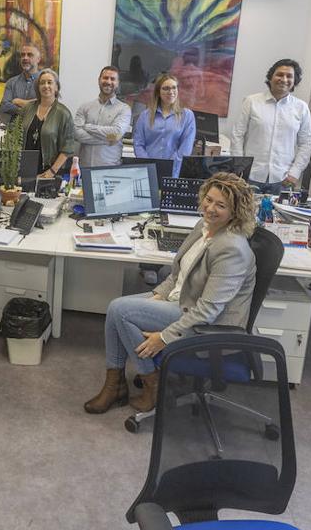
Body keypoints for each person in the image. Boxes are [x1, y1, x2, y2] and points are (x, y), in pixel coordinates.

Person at [84, 172, 258, 414]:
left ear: (236, 211)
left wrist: (163, 337)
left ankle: (151, 384)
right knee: (117, 311)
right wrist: (158, 295)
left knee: (120, 311)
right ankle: (116, 385)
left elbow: (209, 310)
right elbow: (178, 275)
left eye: (221, 205)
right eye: (208, 200)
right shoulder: (204, 227)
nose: (210, 208)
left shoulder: (232, 248)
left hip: (209, 324)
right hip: (183, 298)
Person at [230, 58, 311, 192]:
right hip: (251, 175)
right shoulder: (251, 102)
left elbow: (306, 144)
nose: (284, 79)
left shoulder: (301, 108)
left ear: (294, 81)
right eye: (279, 74)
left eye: (289, 76)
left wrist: (295, 172)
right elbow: (237, 135)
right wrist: (239, 168)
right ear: (270, 77)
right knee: (245, 212)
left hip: (283, 179)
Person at [133, 73, 197, 177]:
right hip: (147, 171)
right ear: (158, 92)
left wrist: (169, 165)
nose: (171, 92)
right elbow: (138, 143)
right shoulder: (145, 116)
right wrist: (148, 165)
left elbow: (186, 147)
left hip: (174, 171)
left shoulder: (187, 115)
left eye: (174, 88)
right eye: (166, 88)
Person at [18, 68, 77, 178]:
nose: (46, 86)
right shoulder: (27, 109)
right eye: (42, 83)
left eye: (50, 82)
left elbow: (67, 148)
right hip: (24, 170)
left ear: (56, 87)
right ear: (38, 87)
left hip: (49, 171)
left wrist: (52, 171)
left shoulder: (63, 113)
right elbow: (17, 136)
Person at [74, 66, 132, 168]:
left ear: (117, 83)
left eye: (113, 79)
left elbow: (116, 134)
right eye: (105, 78)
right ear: (99, 80)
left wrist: (88, 127)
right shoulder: (85, 107)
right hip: (84, 168)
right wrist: (108, 140)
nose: (108, 82)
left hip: (109, 169)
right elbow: (77, 134)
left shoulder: (124, 109)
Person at [0, 42, 41, 124]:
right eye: (23, 55)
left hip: (38, 132)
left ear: (38, 59)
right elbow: (5, 107)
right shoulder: (11, 82)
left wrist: (18, 101)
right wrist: (33, 107)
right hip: (14, 133)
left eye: (30, 55)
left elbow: (46, 105)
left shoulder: (45, 82)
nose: (25, 58)